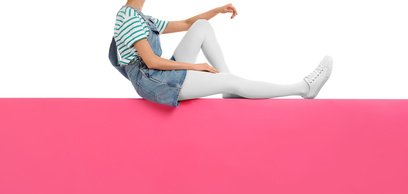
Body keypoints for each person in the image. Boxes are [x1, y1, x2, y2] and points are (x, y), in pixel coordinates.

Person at [109, 0, 333, 107]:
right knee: (229, 80)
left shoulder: (141, 17)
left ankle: (229, 88)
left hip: (157, 72)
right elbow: (151, 61)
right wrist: (196, 66)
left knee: (201, 26)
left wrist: (216, 11)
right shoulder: (128, 18)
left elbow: (188, 23)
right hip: (153, 80)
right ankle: (304, 88)